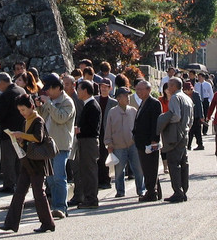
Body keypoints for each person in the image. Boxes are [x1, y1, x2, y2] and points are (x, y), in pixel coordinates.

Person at [0, 94, 56, 233]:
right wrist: (19, 139)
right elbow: (29, 140)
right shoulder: (27, 121)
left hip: (37, 162)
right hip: (27, 160)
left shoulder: (38, 120)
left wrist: (21, 135)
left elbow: (38, 138)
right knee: (19, 192)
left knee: (38, 192)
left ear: (31, 106)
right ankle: (11, 223)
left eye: (23, 110)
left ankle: (48, 223)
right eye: (20, 110)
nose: (22, 113)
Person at [37, 73, 75, 219]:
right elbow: (43, 119)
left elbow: (60, 118)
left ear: (58, 88)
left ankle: (61, 207)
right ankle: (54, 206)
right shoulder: (50, 101)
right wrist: (39, 106)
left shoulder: (67, 102)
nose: (46, 91)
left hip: (61, 145)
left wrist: (47, 103)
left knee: (59, 177)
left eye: (49, 89)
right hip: (48, 145)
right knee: (51, 179)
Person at [105, 86, 144, 198]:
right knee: (119, 171)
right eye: (125, 96)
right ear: (118, 98)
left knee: (138, 169)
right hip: (118, 146)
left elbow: (138, 128)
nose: (128, 98)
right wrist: (108, 143)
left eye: (128, 96)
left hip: (133, 145)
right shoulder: (112, 112)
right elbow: (108, 129)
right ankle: (120, 191)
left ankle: (141, 189)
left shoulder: (133, 111)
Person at [157, 77, 191, 203]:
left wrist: (165, 121)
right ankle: (184, 190)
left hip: (175, 133)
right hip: (185, 132)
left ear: (174, 87)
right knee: (183, 162)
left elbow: (176, 116)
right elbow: (190, 118)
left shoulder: (175, 98)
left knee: (173, 162)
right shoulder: (187, 98)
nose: (167, 88)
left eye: (169, 86)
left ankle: (177, 191)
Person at [71, 79, 101, 208]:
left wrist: (79, 129)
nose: (77, 92)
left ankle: (91, 199)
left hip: (89, 142)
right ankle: (88, 197)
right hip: (85, 141)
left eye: (79, 89)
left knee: (89, 170)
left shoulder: (92, 105)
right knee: (86, 170)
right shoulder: (88, 104)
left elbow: (93, 128)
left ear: (85, 91)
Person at [0, 72, 26, 194]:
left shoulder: (5, 95)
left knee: (8, 160)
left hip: (8, 132)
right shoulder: (21, 91)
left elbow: (1, 113)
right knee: (19, 158)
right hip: (21, 130)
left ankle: (8, 184)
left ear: (1, 82)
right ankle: (20, 182)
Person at [133, 80, 162, 202]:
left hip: (149, 141)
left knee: (150, 167)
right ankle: (155, 191)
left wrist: (154, 140)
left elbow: (155, 123)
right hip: (141, 141)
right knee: (148, 167)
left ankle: (151, 192)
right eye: (137, 90)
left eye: (141, 89)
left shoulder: (154, 103)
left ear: (148, 90)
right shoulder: (143, 103)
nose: (138, 92)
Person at [183, 80, 205, 151]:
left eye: (190, 89)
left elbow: (199, 106)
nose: (189, 91)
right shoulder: (184, 95)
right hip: (188, 115)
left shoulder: (196, 94)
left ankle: (200, 144)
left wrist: (201, 116)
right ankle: (188, 145)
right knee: (189, 131)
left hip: (196, 115)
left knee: (197, 131)